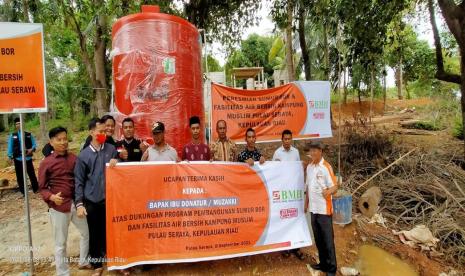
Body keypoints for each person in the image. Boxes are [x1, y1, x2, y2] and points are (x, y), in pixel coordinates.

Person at [38, 127, 91, 275]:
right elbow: (41, 188)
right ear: (51, 142)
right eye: (59, 139)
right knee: (60, 243)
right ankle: (63, 272)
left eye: (65, 139)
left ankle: (83, 261)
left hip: (76, 204)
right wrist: (52, 197)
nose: (63, 142)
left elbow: (82, 178)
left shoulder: (74, 158)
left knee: (85, 234)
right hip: (58, 207)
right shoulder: (46, 163)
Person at [75, 118, 118, 276]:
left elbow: (120, 169)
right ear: (91, 132)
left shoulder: (111, 150)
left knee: (110, 231)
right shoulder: (83, 156)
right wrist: (79, 203)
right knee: (94, 232)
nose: (103, 134)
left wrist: (117, 160)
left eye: (105, 132)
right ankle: (97, 264)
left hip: (109, 200)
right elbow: (79, 181)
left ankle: (113, 259)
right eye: (100, 131)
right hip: (92, 201)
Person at [305, 141, 338, 276]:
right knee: (318, 239)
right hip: (313, 209)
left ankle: (331, 269)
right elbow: (307, 187)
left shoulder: (326, 167)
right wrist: (306, 203)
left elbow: (335, 186)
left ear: (321, 151)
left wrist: (329, 192)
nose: (312, 153)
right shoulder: (310, 167)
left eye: (315, 150)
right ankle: (323, 264)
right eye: (311, 151)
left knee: (328, 240)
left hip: (324, 210)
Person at [272, 130, 305, 260]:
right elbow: (273, 170)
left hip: (293, 192)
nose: (287, 141)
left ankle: (296, 247)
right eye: (285, 139)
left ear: (291, 140)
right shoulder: (277, 153)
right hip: (282, 191)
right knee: (284, 217)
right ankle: (285, 247)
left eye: (289, 139)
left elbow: (298, 170)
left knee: (294, 217)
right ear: (282, 140)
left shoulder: (296, 152)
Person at [7, 117, 39, 195]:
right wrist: (9, 156)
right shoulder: (13, 136)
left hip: (27, 158)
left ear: (22, 124)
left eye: (19, 123)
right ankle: (23, 192)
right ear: (15, 126)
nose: (18, 125)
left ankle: (36, 189)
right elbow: (10, 146)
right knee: (20, 176)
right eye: (17, 124)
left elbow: (34, 144)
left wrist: (31, 149)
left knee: (32, 174)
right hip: (18, 158)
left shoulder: (29, 135)